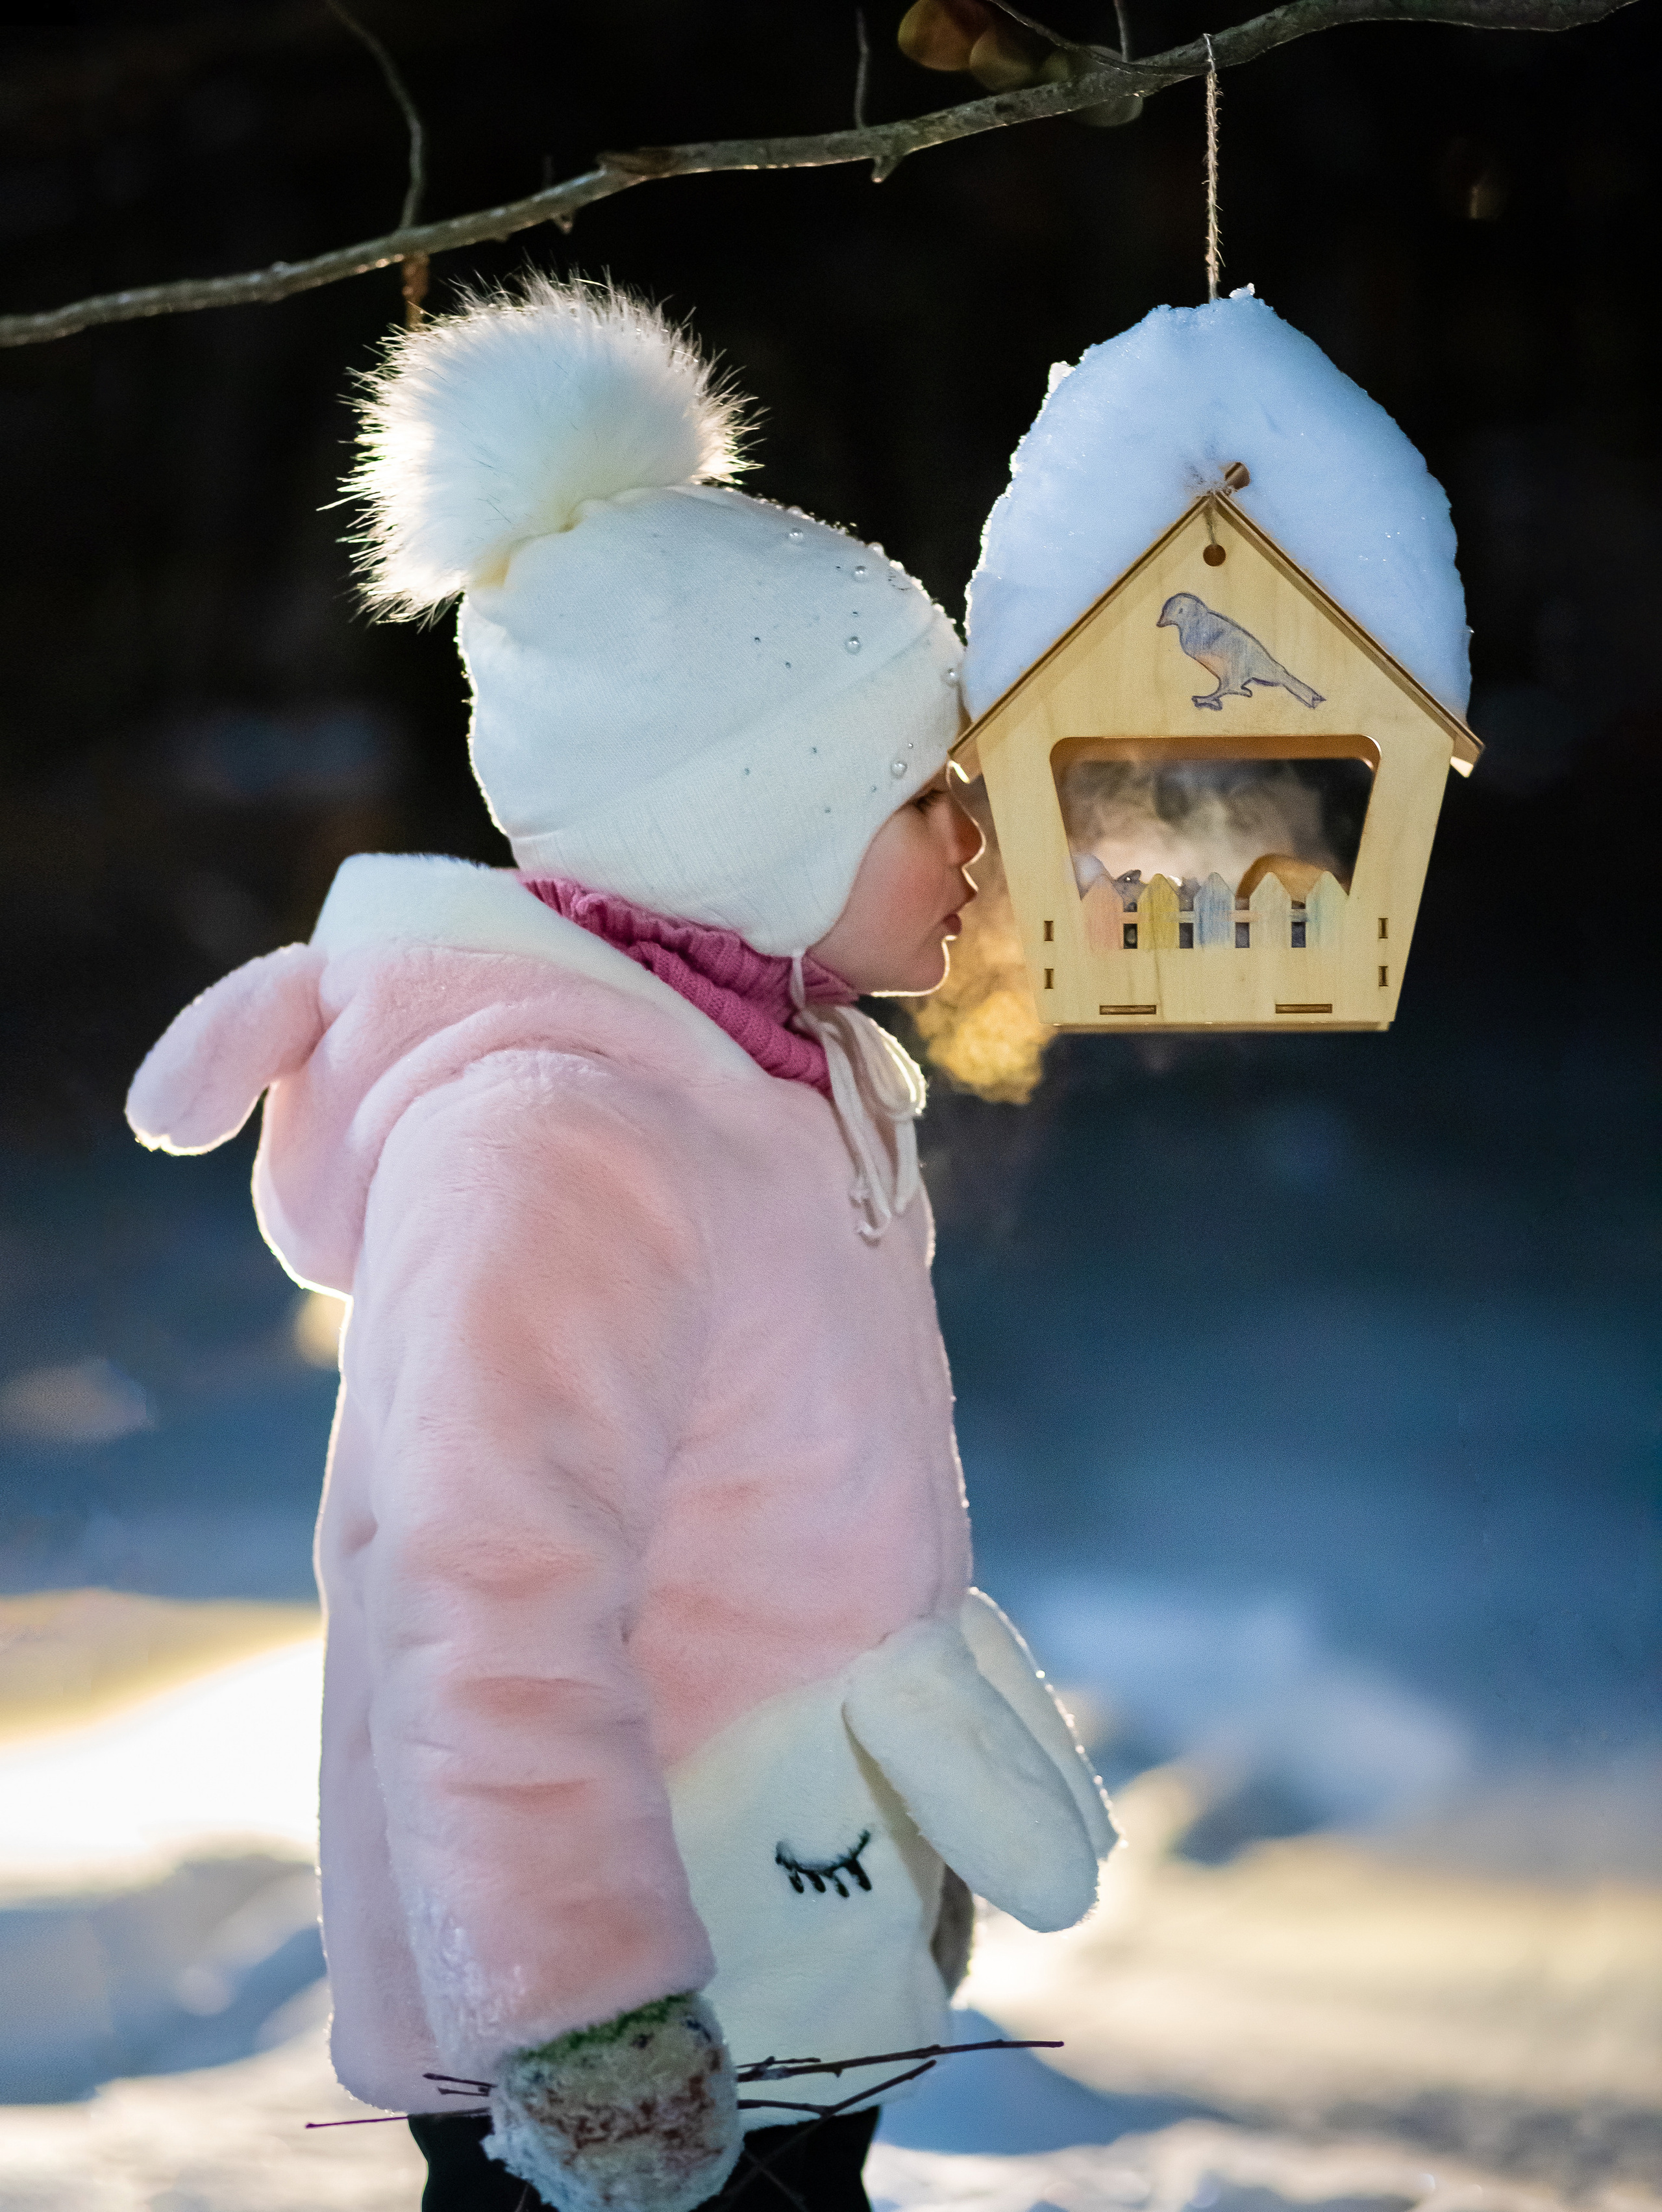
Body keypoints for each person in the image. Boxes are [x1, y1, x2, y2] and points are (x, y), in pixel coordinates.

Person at [126, 278, 1113, 2212]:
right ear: (758, 815)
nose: (978, 842)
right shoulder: (562, 1145)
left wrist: (889, 1824)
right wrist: (583, 2015)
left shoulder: (768, 1073)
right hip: (616, 2052)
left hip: (780, 1946)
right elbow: (478, 1603)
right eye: (928, 792)